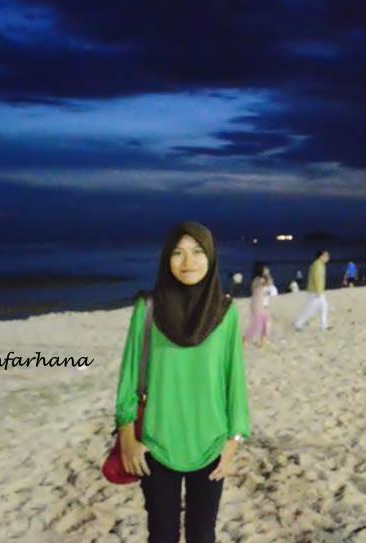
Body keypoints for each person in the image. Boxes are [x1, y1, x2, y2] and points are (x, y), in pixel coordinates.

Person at [114, 221, 249, 543]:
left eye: (198, 251)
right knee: (162, 535)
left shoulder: (226, 312)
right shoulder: (148, 308)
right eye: (178, 253)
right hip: (156, 443)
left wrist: (234, 440)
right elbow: (129, 376)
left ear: (211, 257)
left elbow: (234, 378)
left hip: (211, 443)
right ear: (166, 258)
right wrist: (127, 438)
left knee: (203, 535)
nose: (188, 262)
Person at [294, 250, 330, 331]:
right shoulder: (318, 265)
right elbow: (317, 278)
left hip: (316, 291)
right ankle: (298, 324)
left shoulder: (319, 264)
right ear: (321, 256)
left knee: (324, 306)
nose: (328, 257)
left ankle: (324, 325)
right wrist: (318, 291)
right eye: (326, 255)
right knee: (311, 310)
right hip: (316, 292)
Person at [245, 262, 279, 348]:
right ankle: (245, 341)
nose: (267, 270)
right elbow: (268, 283)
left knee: (267, 324)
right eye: (265, 268)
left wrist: (267, 275)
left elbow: (270, 284)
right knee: (255, 326)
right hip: (258, 306)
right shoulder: (257, 280)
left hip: (265, 306)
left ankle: (263, 342)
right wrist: (267, 274)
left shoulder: (263, 280)